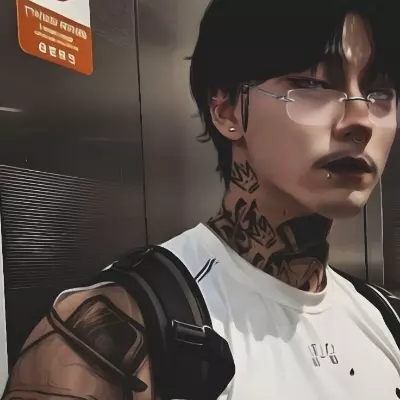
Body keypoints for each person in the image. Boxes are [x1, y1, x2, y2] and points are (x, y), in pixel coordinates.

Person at [2, 0, 400, 399]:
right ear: (226, 109)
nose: (361, 121)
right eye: (313, 84)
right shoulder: (114, 332)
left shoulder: (385, 319)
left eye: (379, 92)